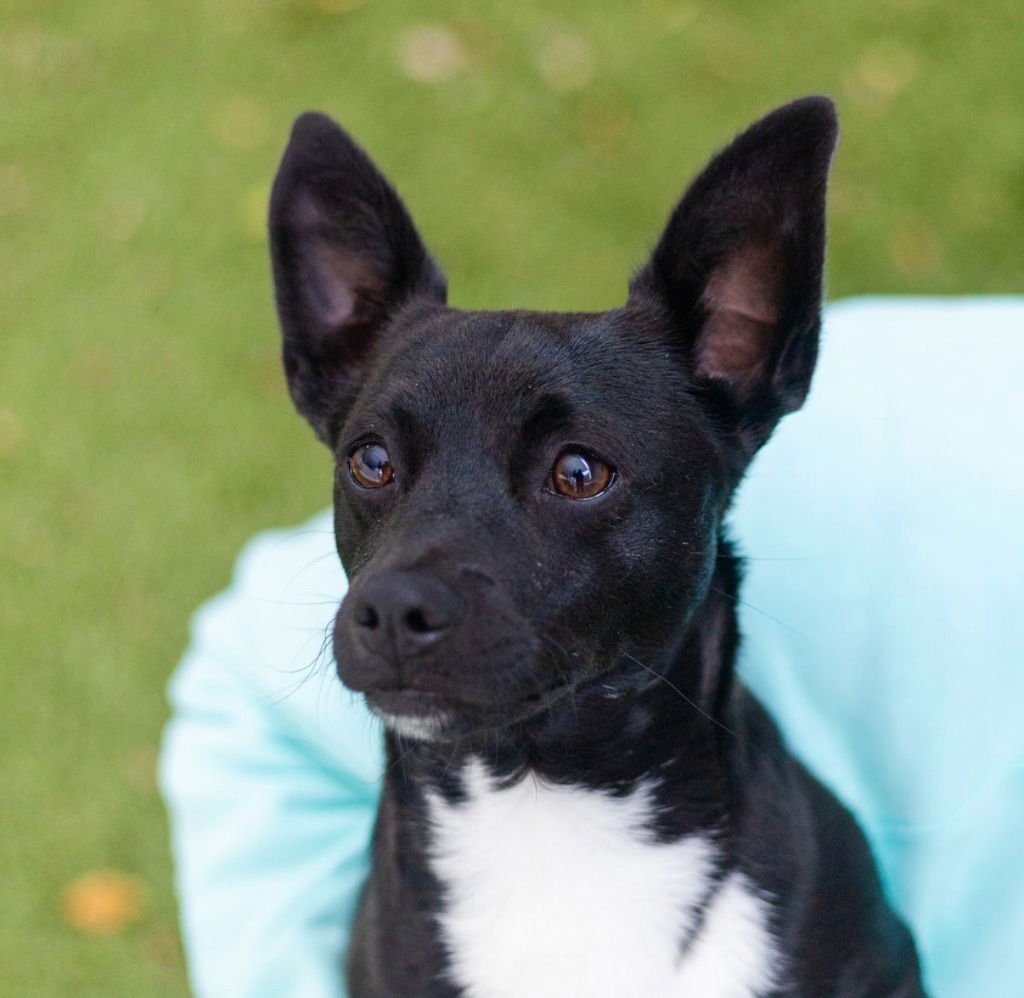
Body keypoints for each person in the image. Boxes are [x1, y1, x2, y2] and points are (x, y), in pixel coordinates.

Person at [161, 297, 1024, 998]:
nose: (404, 589)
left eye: (576, 475)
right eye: (380, 467)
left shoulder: (826, 936)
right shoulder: (391, 962)